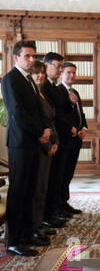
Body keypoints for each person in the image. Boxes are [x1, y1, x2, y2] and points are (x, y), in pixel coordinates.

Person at [1, 41, 52, 256]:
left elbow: (39, 109)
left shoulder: (29, 79)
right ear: (16, 58)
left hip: (34, 142)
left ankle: (28, 233)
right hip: (21, 142)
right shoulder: (10, 79)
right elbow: (17, 112)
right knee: (18, 192)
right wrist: (39, 132)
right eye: (27, 56)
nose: (32, 60)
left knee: (31, 191)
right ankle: (14, 241)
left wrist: (46, 128)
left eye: (34, 56)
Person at [29, 61, 59, 242]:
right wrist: (48, 145)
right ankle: (33, 227)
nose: (40, 76)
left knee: (43, 188)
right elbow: (38, 123)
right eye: (36, 73)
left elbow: (50, 122)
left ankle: (39, 224)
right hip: (39, 148)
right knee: (36, 189)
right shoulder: (32, 95)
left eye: (42, 73)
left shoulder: (40, 93)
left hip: (49, 145)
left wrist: (55, 143)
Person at [54, 62, 87, 217]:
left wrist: (84, 128)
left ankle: (65, 202)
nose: (72, 75)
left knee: (68, 174)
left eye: (74, 72)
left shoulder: (75, 92)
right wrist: (70, 129)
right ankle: (58, 205)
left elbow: (81, 114)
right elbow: (59, 116)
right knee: (60, 175)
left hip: (76, 140)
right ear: (61, 73)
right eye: (68, 72)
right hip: (64, 140)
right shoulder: (59, 92)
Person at [41, 52, 68, 229]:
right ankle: (47, 215)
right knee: (48, 181)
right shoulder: (42, 86)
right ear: (46, 65)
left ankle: (53, 211)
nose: (59, 70)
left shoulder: (55, 86)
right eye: (57, 66)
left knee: (57, 178)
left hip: (58, 138)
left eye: (61, 66)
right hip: (47, 139)